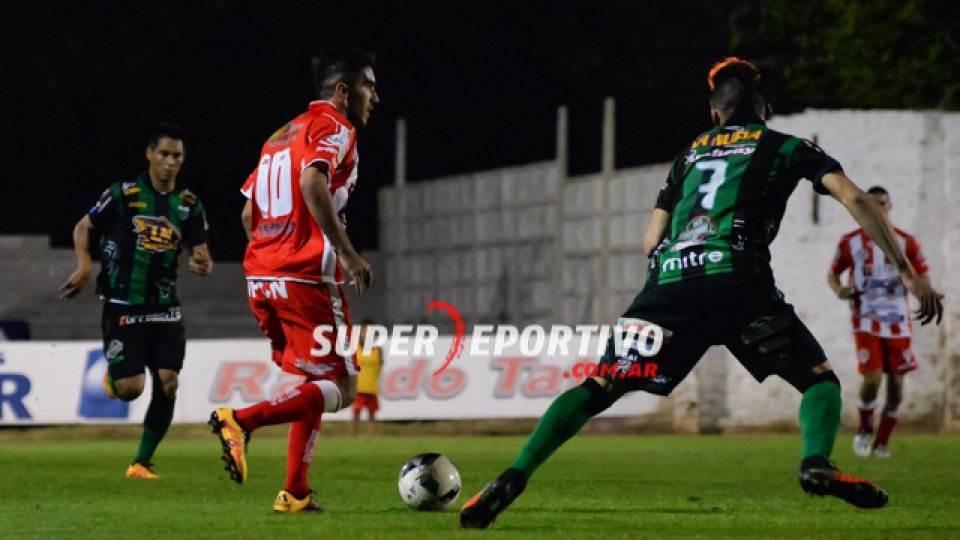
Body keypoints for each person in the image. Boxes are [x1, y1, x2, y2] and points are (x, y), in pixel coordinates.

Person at [459, 58, 944, 529]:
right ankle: (816, 461)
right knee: (818, 382)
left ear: (715, 114)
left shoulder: (689, 155)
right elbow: (856, 198)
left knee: (599, 387)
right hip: (739, 283)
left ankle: (510, 478)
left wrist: (670, 282)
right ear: (765, 109)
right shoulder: (786, 146)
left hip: (670, 287)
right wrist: (907, 272)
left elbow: (651, 240)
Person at [209, 47, 377, 513]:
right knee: (342, 389)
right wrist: (347, 254)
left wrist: (272, 255)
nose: (375, 96)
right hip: (306, 277)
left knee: (311, 380)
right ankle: (240, 420)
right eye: (369, 85)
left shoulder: (280, 135)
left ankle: (296, 491)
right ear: (343, 92)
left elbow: (248, 211)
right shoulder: (335, 127)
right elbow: (311, 183)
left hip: (263, 274)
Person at [59, 122, 213, 479]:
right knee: (130, 390)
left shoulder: (189, 205)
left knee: (168, 382)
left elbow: (201, 251)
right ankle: (117, 379)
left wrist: (201, 261)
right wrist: (84, 265)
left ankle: (141, 462)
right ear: (149, 154)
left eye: (177, 155)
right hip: (123, 305)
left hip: (165, 306)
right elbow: (85, 226)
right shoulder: (124, 194)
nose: (170, 162)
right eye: (164, 154)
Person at [827, 186, 930, 458]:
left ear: (890, 205)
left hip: (898, 321)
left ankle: (882, 442)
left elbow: (923, 278)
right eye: (871, 204)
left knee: (896, 385)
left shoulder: (907, 243)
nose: (877, 209)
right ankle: (864, 430)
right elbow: (833, 274)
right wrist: (839, 290)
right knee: (872, 378)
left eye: (882, 203)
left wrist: (924, 294)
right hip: (866, 319)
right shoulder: (849, 242)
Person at [351, 320, 383, 437]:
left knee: (372, 414)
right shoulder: (355, 348)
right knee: (356, 413)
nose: (366, 334)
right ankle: (353, 436)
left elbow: (380, 367)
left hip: (371, 387)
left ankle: (372, 437)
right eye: (364, 331)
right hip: (359, 387)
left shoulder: (377, 350)